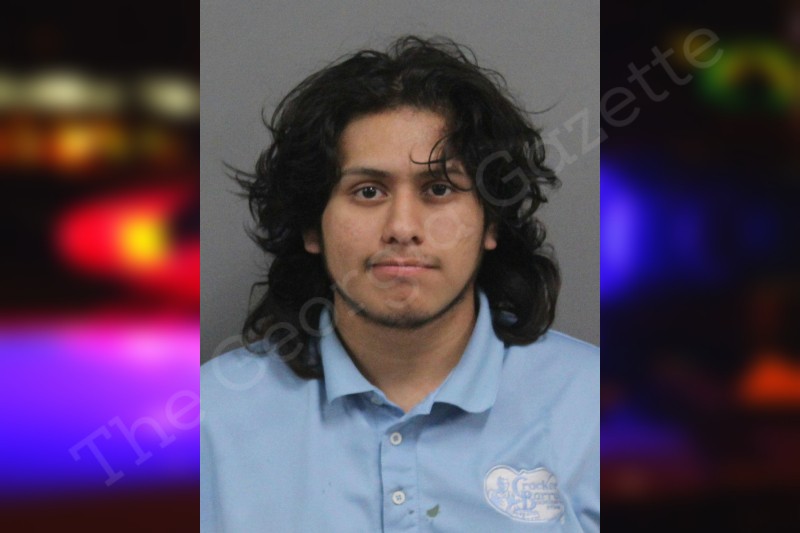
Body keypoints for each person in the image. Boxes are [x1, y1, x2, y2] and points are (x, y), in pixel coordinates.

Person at [201, 35, 599, 532]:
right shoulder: (208, 421)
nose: (403, 227)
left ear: (491, 222)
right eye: (368, 191)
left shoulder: (597, 409)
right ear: (311, 227)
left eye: (439, 188)